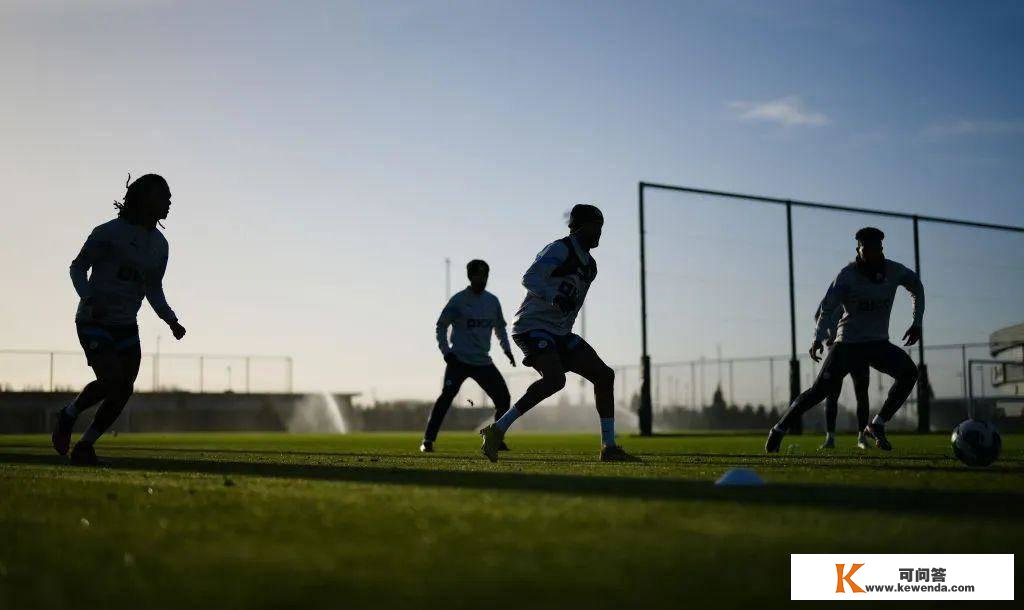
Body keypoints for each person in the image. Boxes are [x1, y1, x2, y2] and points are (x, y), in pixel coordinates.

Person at [479, 204, 635, 462]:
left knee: (604, 376)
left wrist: (566, 326)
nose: (599, 232)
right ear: (579, 226)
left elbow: (572, 306)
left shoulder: (591, 266)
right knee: (555, 380)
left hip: (560, 333)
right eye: (596, 226)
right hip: (532, 326)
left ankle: (609, 446)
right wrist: (554, 298)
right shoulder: (560, 249)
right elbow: (530, 278)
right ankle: (497, 430)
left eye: (602, 227)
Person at [52, 174, 186, 465]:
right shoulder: (108, 232)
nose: (169, 201)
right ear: (142, 198)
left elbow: (153, 288)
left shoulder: (160, 245)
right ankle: (69, 415)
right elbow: (77, 268)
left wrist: (171, 320)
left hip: (126, 326)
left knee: (123, 388)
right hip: (94, 321)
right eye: (163, 195)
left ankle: (85, 445)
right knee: (112, 380)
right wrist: (89, 298)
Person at [766, 227, 923, 453]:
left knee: (909, 373)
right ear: (858, 249)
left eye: (877, 248)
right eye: (867, 248)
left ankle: (876, 425)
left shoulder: (894, 271)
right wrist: (818, 338)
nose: (873, 253)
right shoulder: (847, 275)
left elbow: (917, 288)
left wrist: (916, 322)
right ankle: (779, 429)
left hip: (878, 344)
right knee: (818, 392)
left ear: (882, 249)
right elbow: (827, 308)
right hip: (848, 345)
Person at [422, 259, 515, 452]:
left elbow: (500, 328)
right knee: (446, 398)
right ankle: (428, 440)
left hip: (483, 361)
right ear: (470, 276)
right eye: (478, 275)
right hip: (459, 360)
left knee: (504, 398)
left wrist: (507, 349)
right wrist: (446, 351)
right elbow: (441, 325)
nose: (482, 279)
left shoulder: (492, 301)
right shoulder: (458, 301)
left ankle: (495, 438)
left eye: (485, 275)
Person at [815, 303, 871, 450]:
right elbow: (819, 316)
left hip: (859, 350)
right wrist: (829, 335)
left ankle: (862, 436)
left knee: (862, 393)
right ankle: (830, 437)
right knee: (831, 396)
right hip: (838, 353)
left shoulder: (859, 295)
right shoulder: (832, 297)